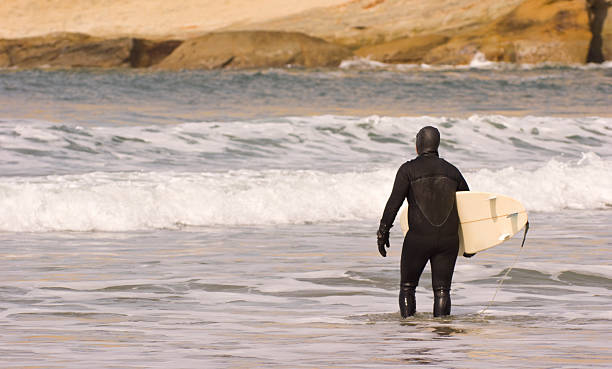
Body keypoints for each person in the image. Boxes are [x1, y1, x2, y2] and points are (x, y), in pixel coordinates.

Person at [377, 126, 470, 318]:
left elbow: (393, 203)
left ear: (418, 145)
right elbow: (468, 207)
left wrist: (382, 232)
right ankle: (442, 333)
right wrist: (471, 242)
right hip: (448, 240)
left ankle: (410, 333)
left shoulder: (408, 169)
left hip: (418, 238)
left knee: (408, 287)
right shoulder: (453, 171)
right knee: (442, 290)